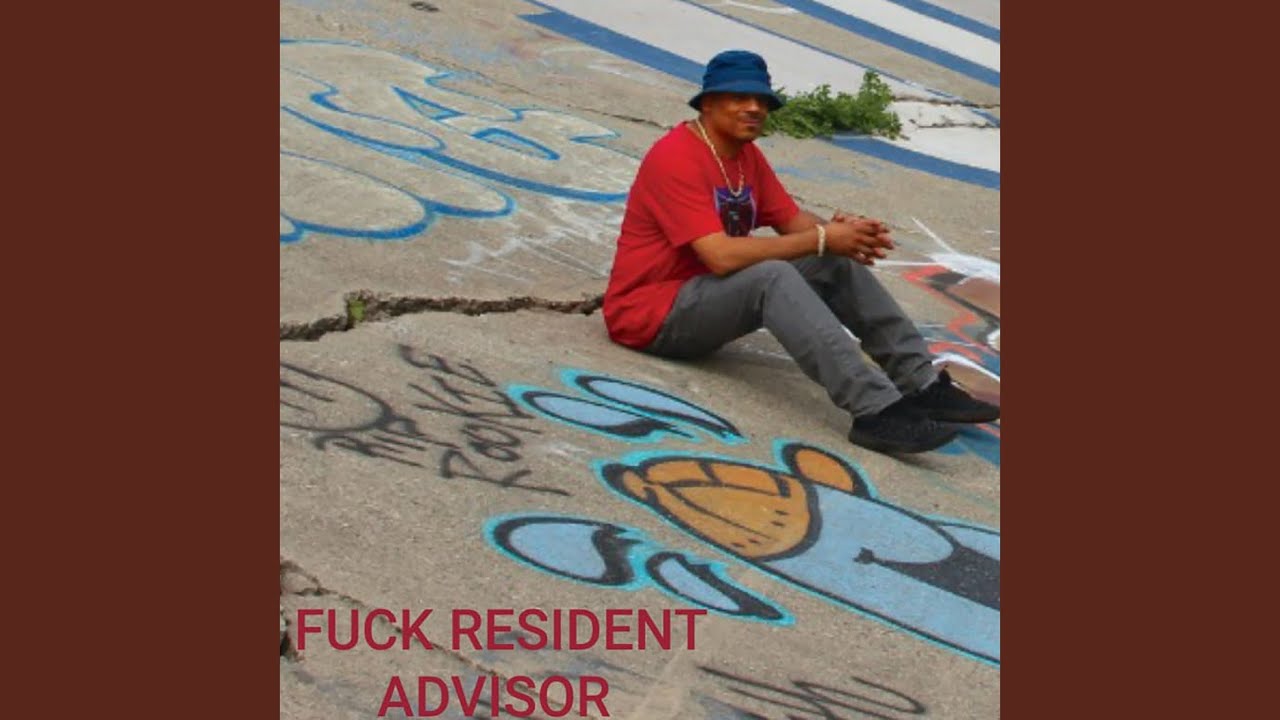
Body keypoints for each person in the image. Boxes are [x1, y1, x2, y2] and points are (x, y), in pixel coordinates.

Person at [601, 50, 999, 455]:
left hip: (706, 299)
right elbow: (720, 257)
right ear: (707, 103)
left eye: (762, 100)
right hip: (652, 317)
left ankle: (921, 384)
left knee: (830, 259)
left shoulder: (744, 156)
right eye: (739, 98)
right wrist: (821, 238)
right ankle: (876, 411)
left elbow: (793, 222)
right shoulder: (675, 157)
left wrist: (844, 235)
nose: (754, 108)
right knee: (772, 277)